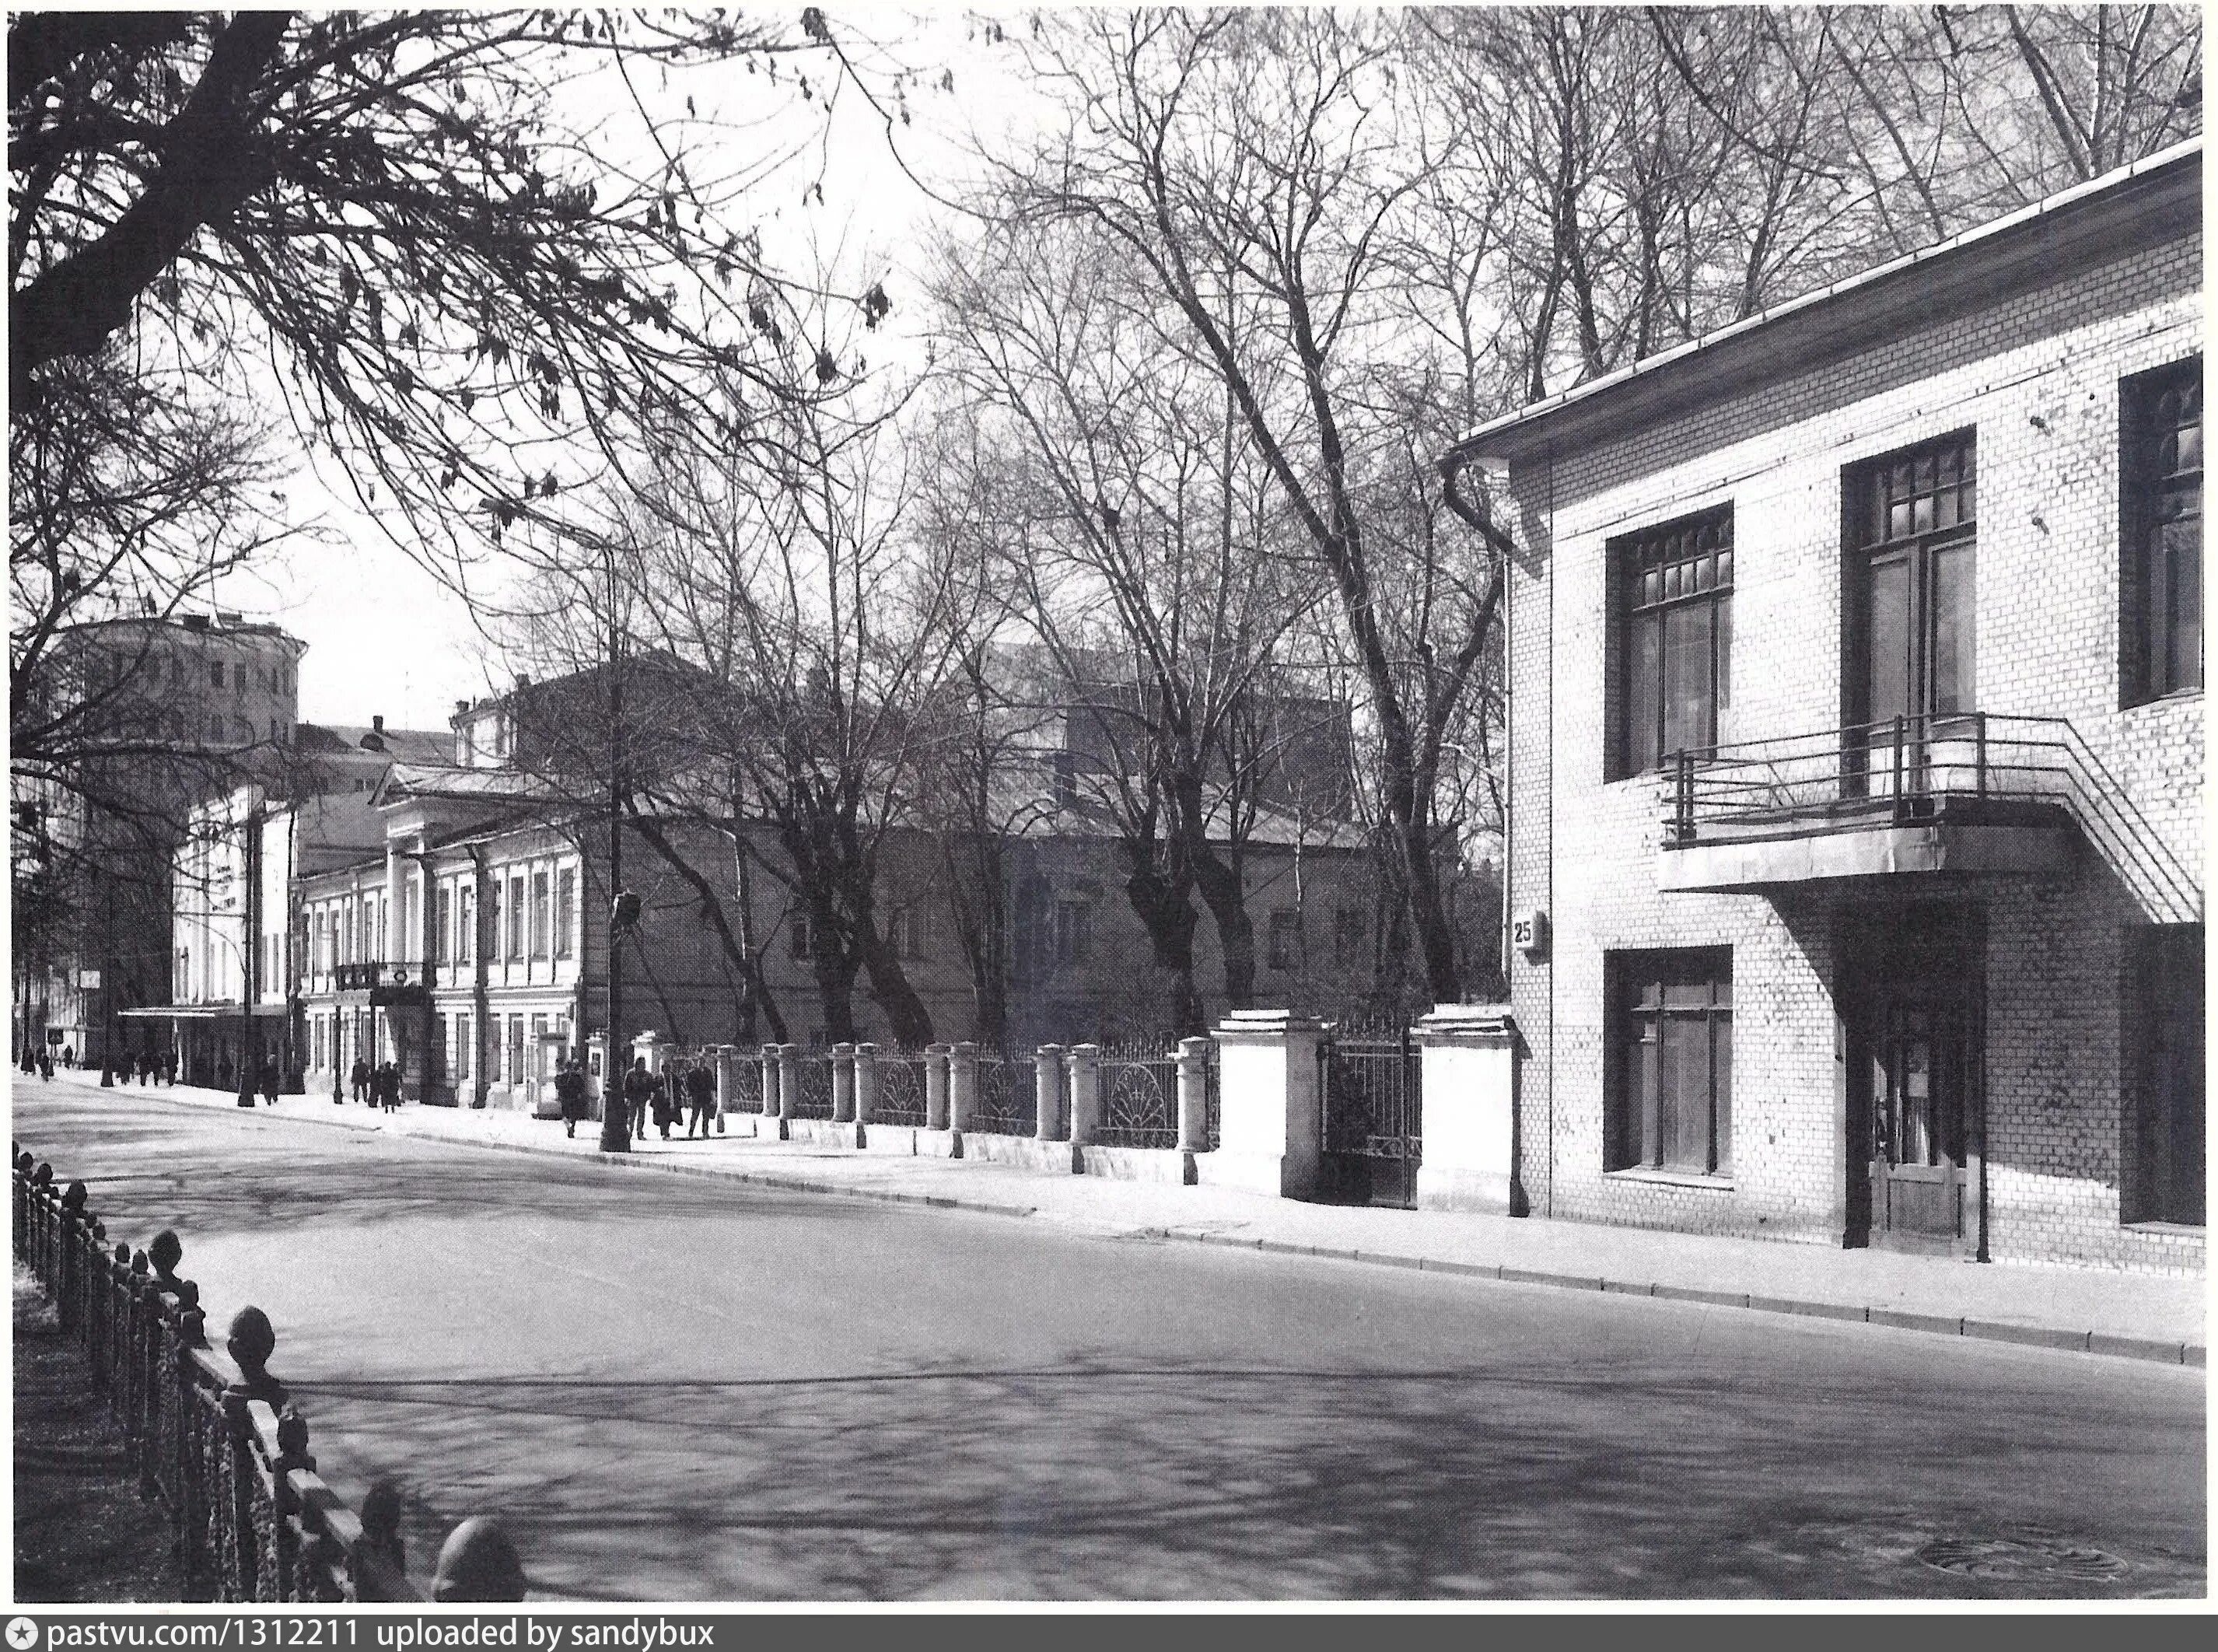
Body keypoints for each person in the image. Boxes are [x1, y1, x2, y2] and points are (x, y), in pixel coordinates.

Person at [554, 1057, 589, 1139]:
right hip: (574, 1098)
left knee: (565, 1115)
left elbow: (557, 1086)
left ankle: (568, 1127)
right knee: (573, 1114)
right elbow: (582, 1086)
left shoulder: (560, 1076)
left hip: (564, 1098)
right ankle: (572, 1126)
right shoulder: (576, 1076)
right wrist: (579, 1093)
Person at [622, 1057, 655, 1139]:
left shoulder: (648, 1075)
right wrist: (627, 1097)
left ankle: (640, 1133)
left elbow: (651, 1087)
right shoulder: (630, 1074)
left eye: (644, 1064)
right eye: (641, 1064)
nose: (643, 1066)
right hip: (632, 1098)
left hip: (642, 1099)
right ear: (637, 1064)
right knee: (631, 1116)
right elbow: (626, 1086)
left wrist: (649, 1097)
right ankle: (629, 1132)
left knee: (641, 1116)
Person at [684, 1058, 715, 1139]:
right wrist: (690, 1095)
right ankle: (691, 1131)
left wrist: (712, 1097)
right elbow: (689, 1085)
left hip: (706, 1097)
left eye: (702, 1062)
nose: (700, 1064)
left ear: (704, 1063)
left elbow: (711, 1085)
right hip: (697, 1097)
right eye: (699, 1062)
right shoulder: (692, 1073)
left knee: (706, 1116)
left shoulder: (708, 1072)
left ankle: (705, 1132)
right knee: (695, 1115)